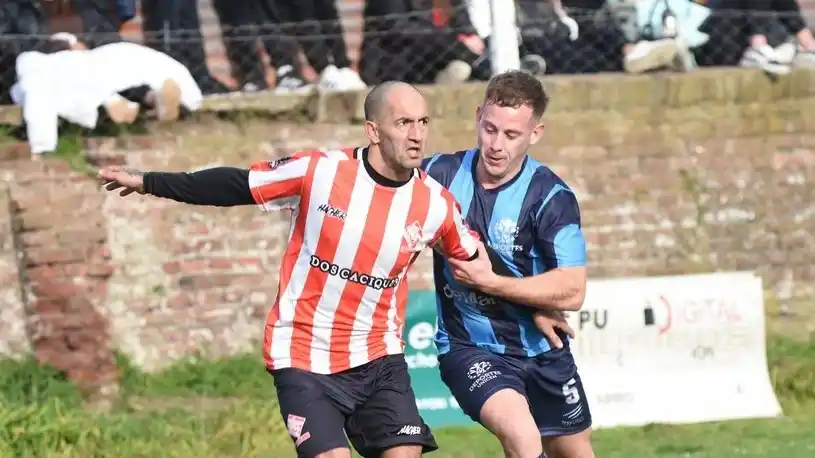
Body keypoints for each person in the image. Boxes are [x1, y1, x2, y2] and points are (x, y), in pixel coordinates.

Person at [98, 81, 479, 458]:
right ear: (373, 131)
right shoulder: (320, 172)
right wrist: (150, 182)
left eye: (424, 122)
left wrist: (531, 297)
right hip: (302, 353)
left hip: (377, 355)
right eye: (404, 123)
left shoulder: (436, 204)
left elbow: (476, 262)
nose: (417, 135)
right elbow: (236, 185)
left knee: (404, 453)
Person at [420, 70, 594, 458]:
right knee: (523, 438)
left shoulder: (551, 197)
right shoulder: (437, 176)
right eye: (489, 129)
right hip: (469, 346)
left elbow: (572, 288)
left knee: (575, 451)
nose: (496, 145)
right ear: (479, 116)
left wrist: (492, 284)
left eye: (511, 135)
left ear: (536, 133)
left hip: (544, 348)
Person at [11, 33, 202, 156]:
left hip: (83, 88)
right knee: (120, 81)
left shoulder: (32, 66)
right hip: (103, 72)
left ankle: (122, 104)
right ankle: (151, 98)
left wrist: (42, 146)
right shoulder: (67, 53)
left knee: (97, 90)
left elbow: (34, 96)